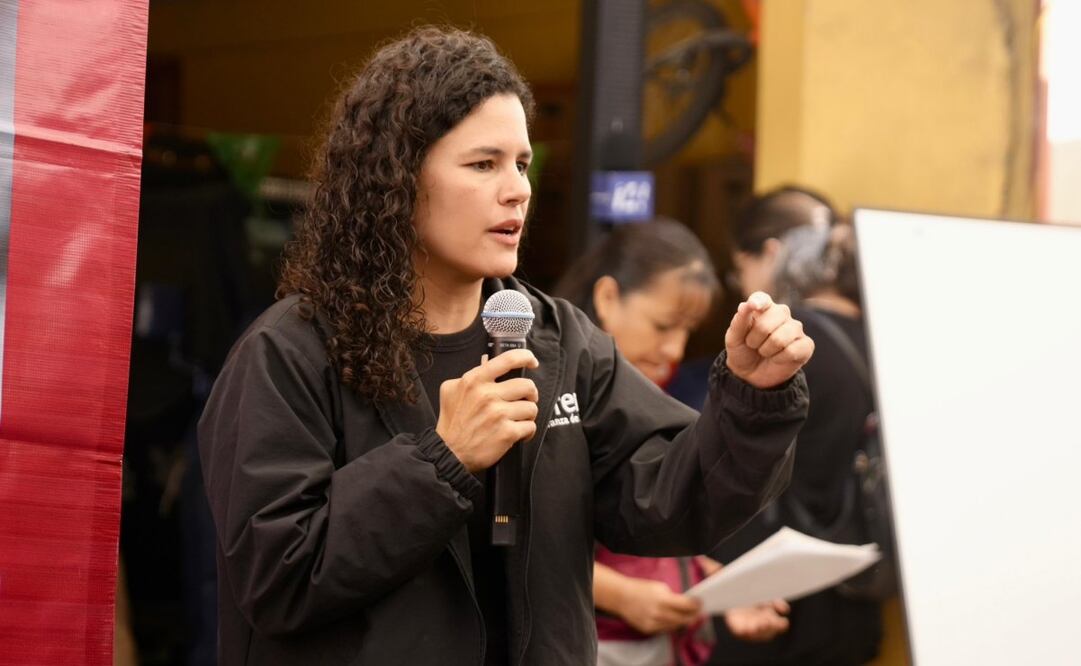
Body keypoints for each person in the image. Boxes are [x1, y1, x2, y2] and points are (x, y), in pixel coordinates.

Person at [198, 27, 814, 666]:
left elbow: (671, 502)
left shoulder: (560, 342)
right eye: (483, 164)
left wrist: (752, 397)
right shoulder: (291, 353)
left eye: (521, 163)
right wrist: (442, 460)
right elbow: (278, 577)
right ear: (397, 177)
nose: (519, 188)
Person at [552, 219, 792, 666]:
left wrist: (717, 586)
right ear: (607, 297)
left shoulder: (649, 391)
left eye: (687, 331)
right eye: (663, 326)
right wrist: (622, 595)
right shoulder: (554, 394)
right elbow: (529, 540)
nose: (675, 350)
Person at [707, 186, 883, 665]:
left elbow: (727, 463)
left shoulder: (788, 346)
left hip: (776, 605)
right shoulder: (880, 339)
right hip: (856, 596)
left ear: (774, 255)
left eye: (739, 269)